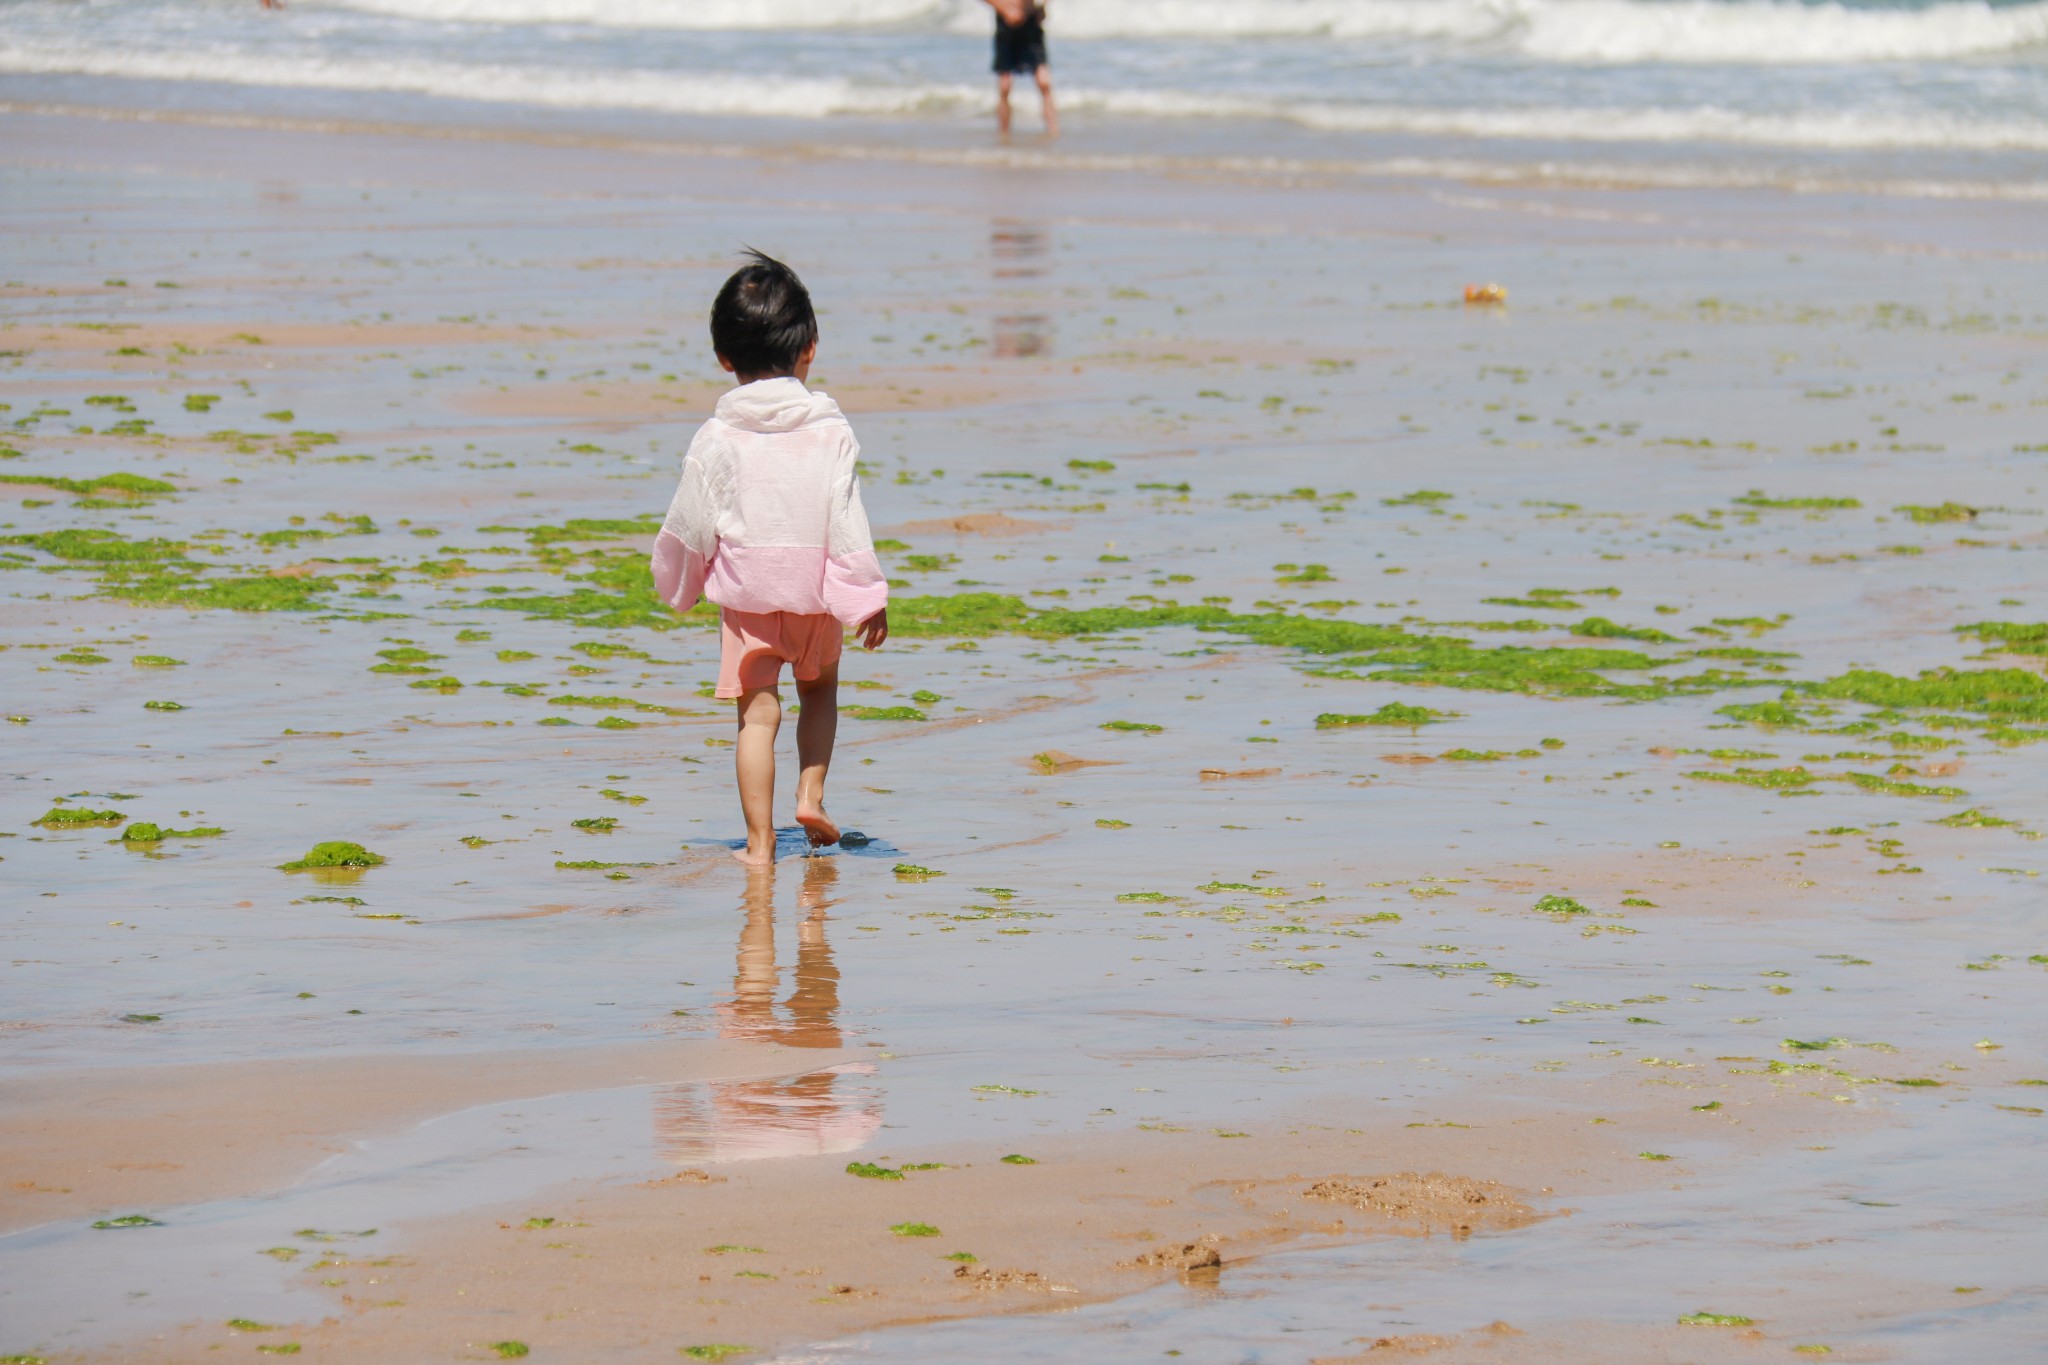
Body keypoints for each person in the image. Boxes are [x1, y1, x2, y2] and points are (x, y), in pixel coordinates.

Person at [651, 250, 889, 866]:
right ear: (809, 346)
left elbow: (690, 521)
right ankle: (810, 797)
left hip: (748, 599)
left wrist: (679, 584)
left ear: (723, 357)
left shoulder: (716, 436)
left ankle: (759, 846)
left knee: (757, 716)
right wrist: (867, 595)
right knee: (820, 692)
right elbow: (846, 519)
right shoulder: (832, 430)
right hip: (814, 595)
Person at [984, 0, 1057, 138]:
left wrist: (1042, 7)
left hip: (1031, 22)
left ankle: (1053, 132)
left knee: (1044, 82)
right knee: (1005, 85)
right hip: (1006, 23)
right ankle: (1004, 135)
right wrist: (1005, 9)